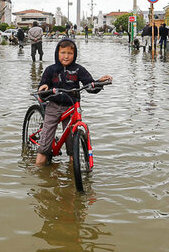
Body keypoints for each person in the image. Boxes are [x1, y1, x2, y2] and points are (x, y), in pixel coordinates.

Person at [35, 38, 112, 166]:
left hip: (72, 107)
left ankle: (73, 173)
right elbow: (43, 85)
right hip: (53, 106)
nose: (66, 56)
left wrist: (99, 82)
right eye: (63, 53)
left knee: (72, 143)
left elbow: (89, 85)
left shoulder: (78, 69)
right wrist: (43, 88)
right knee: (45, 142)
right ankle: (38, 170)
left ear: (74, 54)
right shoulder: (50, 70)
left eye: (70, 53)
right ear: (57, 53)